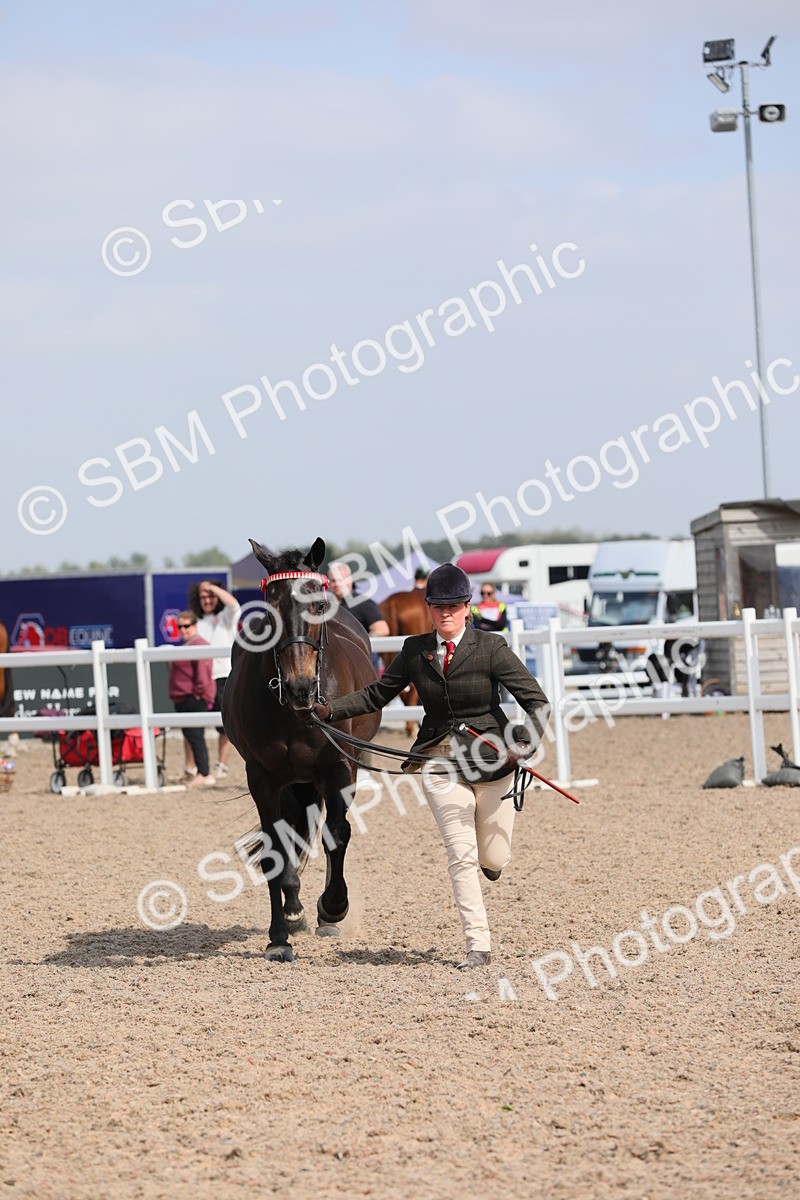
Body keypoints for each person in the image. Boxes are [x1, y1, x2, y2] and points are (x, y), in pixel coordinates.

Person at [312, 563, 550, 970]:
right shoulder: (414, 650)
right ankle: (478, 945)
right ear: (429, 608)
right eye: (439, 606)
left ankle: (492, 863)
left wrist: (524, 743)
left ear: (467, 607)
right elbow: (376, 694)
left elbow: (537, 701)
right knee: (460, 853)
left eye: (453, 606)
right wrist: (330, 709)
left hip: (493, 763)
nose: (446, 614)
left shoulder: (492, 647)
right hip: (439, 760)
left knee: (494, 858)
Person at [188, 578, 240, 778]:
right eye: (203, 596)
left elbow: (233, 604)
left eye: (211, 596)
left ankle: (222, 765)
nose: (207, 600)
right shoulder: (195, 622)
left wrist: (211, 587)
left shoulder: (226, 617)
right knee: (192, 725)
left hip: (222, 676)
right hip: (199, 680)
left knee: (223, 727)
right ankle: (190, 766)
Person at [168, 612, 216, 788]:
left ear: (194, 626)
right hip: (184, 697)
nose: (183, 630)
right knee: (191, 735)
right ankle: (198, 770)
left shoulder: (199, 644)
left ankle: (205, 773)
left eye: (186, 626)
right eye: (179, 626)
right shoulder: (188, 645)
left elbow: (203, 673)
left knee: (195, 736)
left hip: (193, 698)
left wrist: (198, 693)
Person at [328, 562, 390, 637]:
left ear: (350, 580)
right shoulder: (327, 606)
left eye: (340, 580)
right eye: (333, 581)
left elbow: (381, 630)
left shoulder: (364, 603)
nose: (337, 584)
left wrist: (362, 643)